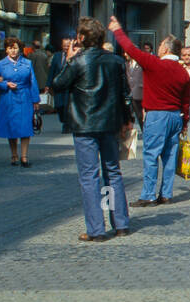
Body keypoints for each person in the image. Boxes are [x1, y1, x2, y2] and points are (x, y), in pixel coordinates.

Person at [53, 17, 133, 242]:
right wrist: (127, 119)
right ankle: (120, 223)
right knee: (113, 171)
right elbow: (124, 94)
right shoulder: (115, 61)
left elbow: (58, 84)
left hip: (85, 124)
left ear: (80, 38)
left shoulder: (78, 61)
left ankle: (96, 228)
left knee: (89, 177)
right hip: (109, 123)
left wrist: (68, 59)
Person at [109, 18, 190, 207]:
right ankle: (166, 193)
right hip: (175, 115)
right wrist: (184, 122)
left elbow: (131, 50)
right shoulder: (182, 72)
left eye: (161, 44)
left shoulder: (154, 63)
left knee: (151, 154)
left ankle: (148, 195)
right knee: (170, 156)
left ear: (166, 49)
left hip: (157, 115)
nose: (159, 47)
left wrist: (117, 31)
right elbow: (185, 101)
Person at [0, 35, 40, 166]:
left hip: (24, 97)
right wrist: (5, 84)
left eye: (15, 48)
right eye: (10, 48)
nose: (13, 51)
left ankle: (24, 156)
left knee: (25, 127)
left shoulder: (27, 63)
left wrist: (35, 100)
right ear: (6, 50)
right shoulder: (0, 64)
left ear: (20, 49)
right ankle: (14, 154)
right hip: (8, 98)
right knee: (11, 127)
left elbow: (33, 82)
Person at [47, 37, 73, 131]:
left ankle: (66, 125)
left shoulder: (74, 55)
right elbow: (52, 71)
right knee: (59, 106)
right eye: (64, 45)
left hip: (69, 86)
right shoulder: (57, 56)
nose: (66, 47)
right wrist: (48, 85)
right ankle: (63, 120)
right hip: (58, 86)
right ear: (61, 46)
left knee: (67, 106)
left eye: (68, 45)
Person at [126, 49, 145, 127]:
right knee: (129, 117)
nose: (125, 54)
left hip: (138, 93)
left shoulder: (141, 64)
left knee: (140, 116)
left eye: (127, 53)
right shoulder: (127, 64)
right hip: (129, 94)